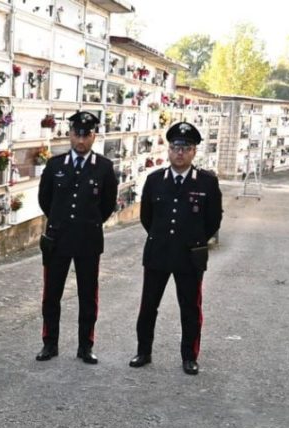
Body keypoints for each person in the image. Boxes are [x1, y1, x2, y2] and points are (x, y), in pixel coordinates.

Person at [129, 121, 222, 375]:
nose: (179, 153)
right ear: (168, 150)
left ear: (194, 152)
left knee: (190, 308)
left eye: (186, 148)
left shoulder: (206, 182)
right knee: (148, 306)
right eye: (175, 148)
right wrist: (162, 238)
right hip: (158, 253)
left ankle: (189, 356)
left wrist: (194, 240)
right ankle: (143, 351)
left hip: (189, 255)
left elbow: (213, 220)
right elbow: (147, 217)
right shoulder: (155, 180)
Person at [35, 111, 118, 363]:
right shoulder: (55, 165)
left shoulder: (104, 167)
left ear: (94, 136)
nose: (81, 140)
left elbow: (107, 205)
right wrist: (59, 222)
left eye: (87, 135)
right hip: (57, 239)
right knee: (51, 295)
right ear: (70, 134)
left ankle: (85, 346)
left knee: (88, 296)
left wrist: (87, 224)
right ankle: (50, 343)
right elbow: (44, 200)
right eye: (77, 134)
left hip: (88, 240)